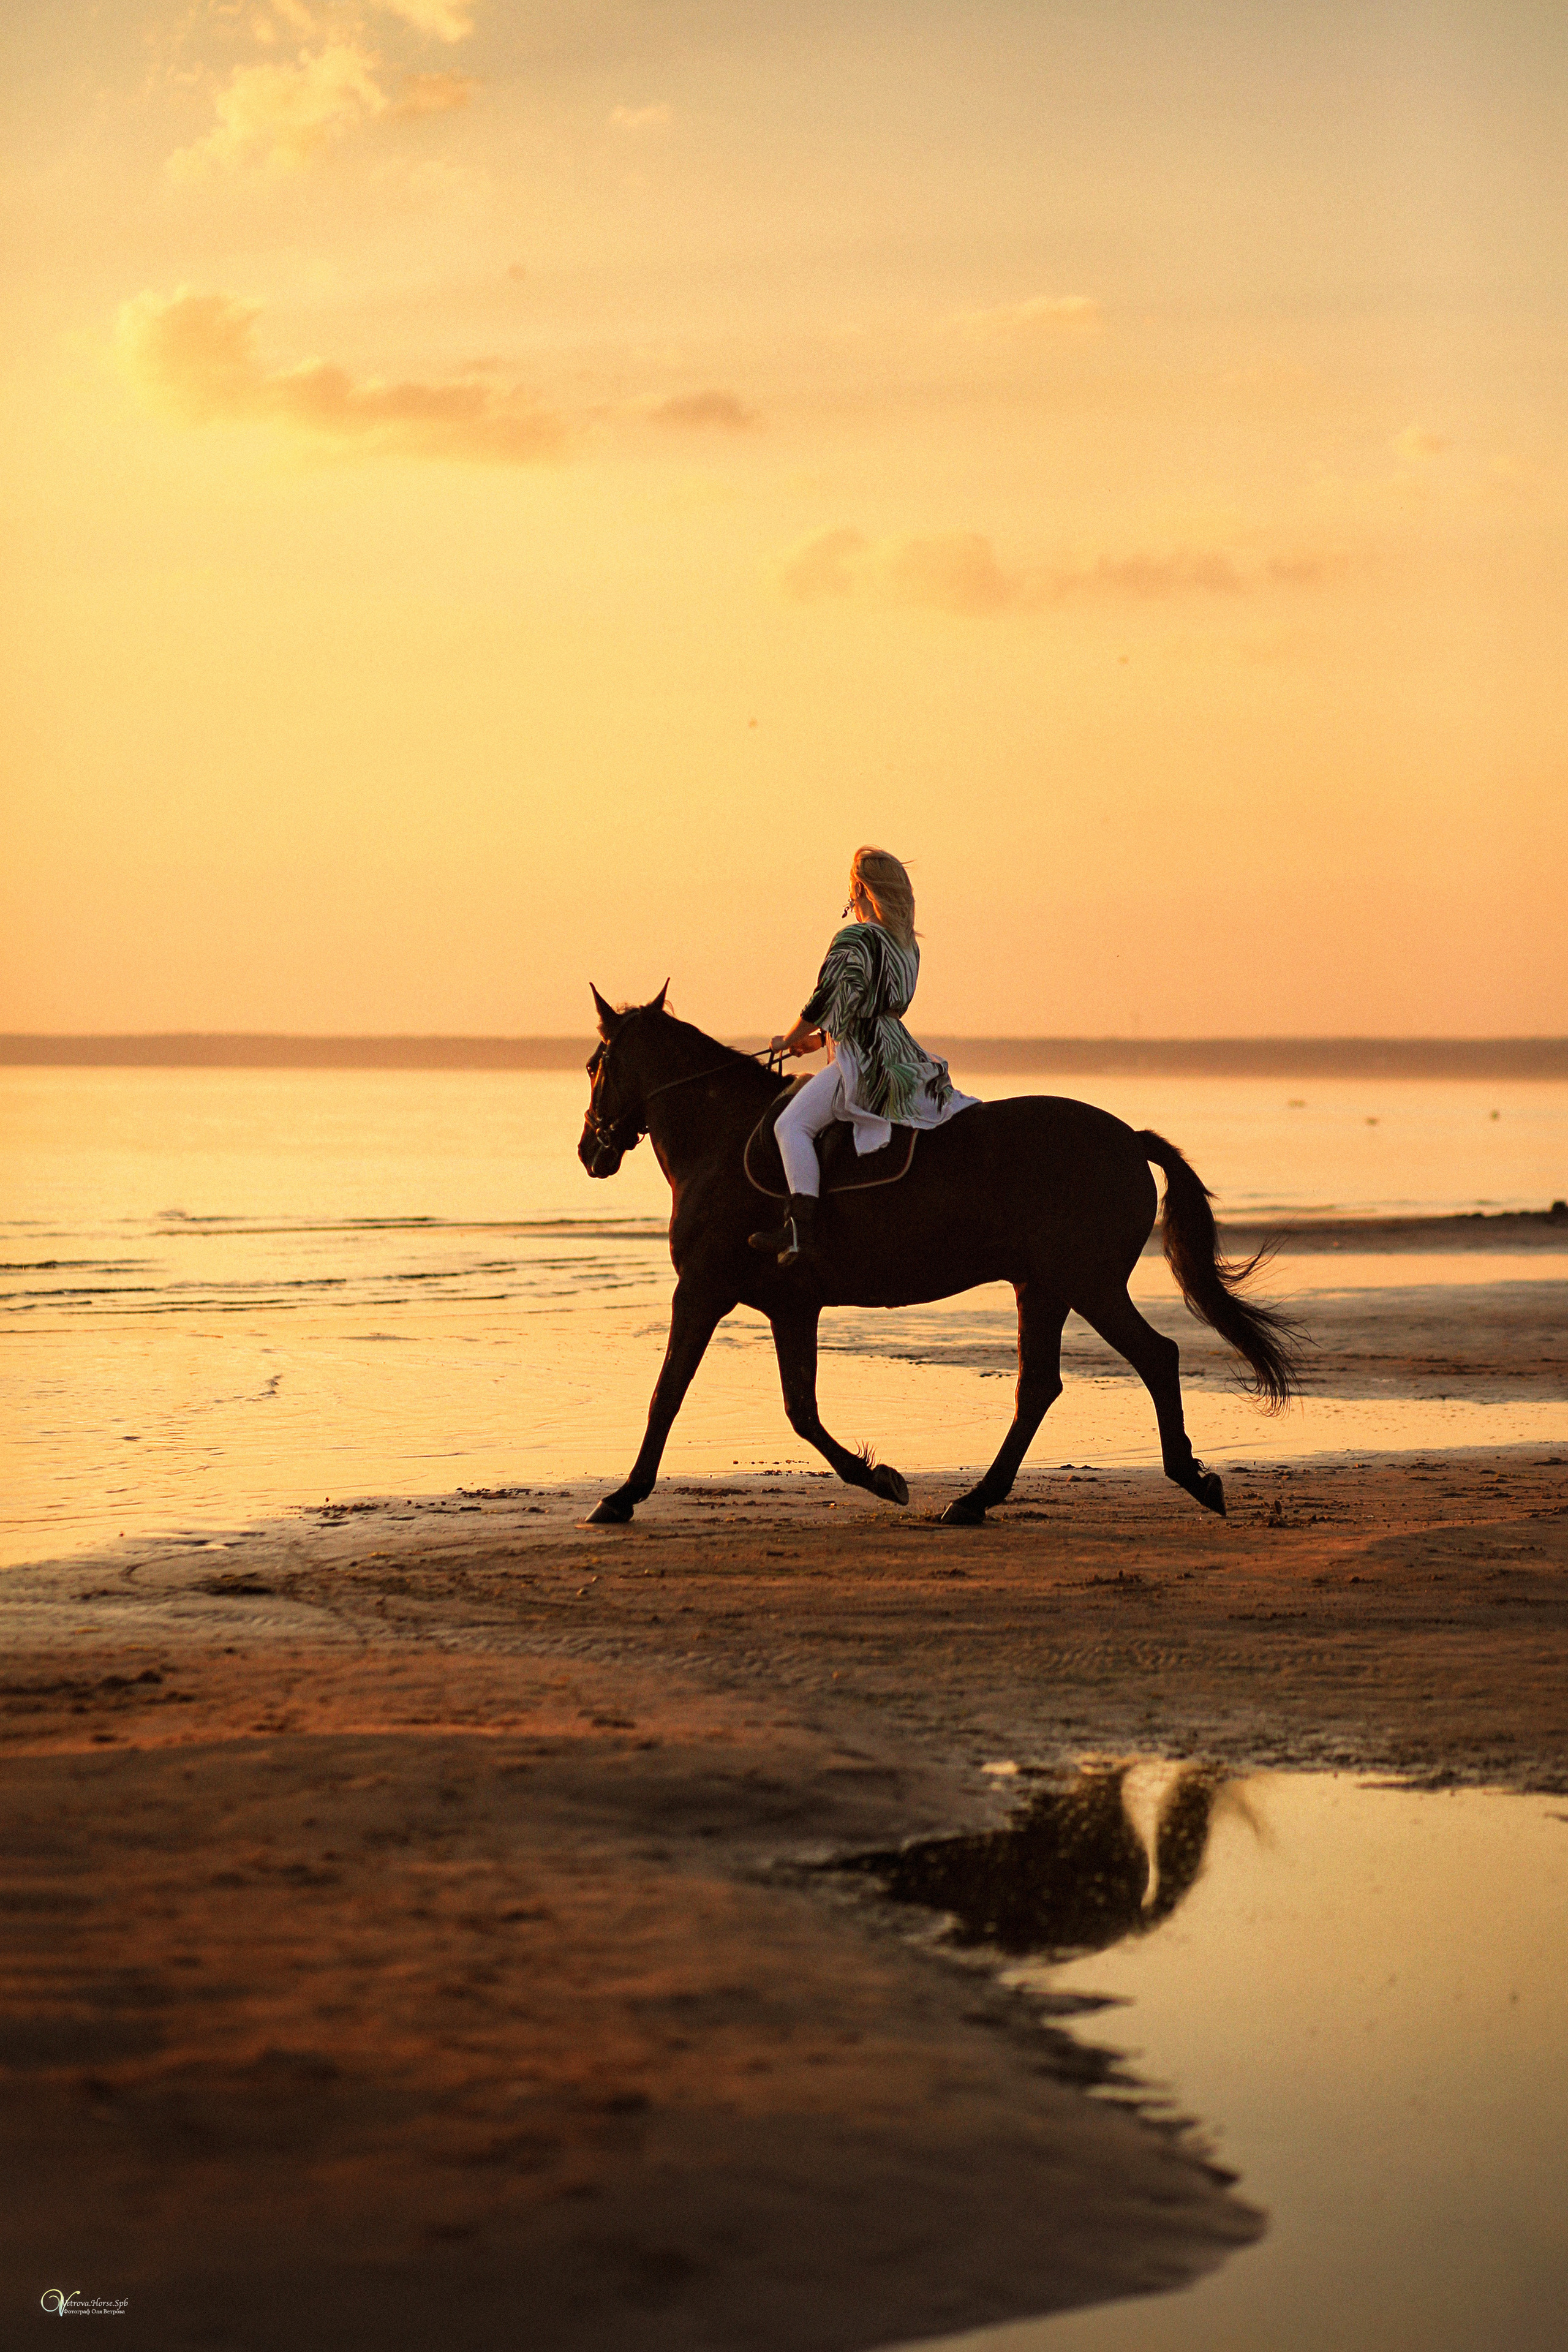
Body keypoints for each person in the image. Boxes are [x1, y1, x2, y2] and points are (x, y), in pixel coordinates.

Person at [748, 845, 979, 1266]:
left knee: (791, 1126)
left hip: (864, 1059)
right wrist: (817, 1043)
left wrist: (789, 1038)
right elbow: (871, 1009)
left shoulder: (856, 937)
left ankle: (800, 1232)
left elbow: (827, 999)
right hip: (900, 1051)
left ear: (859, 889)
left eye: (849, 894)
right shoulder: (907, 945)